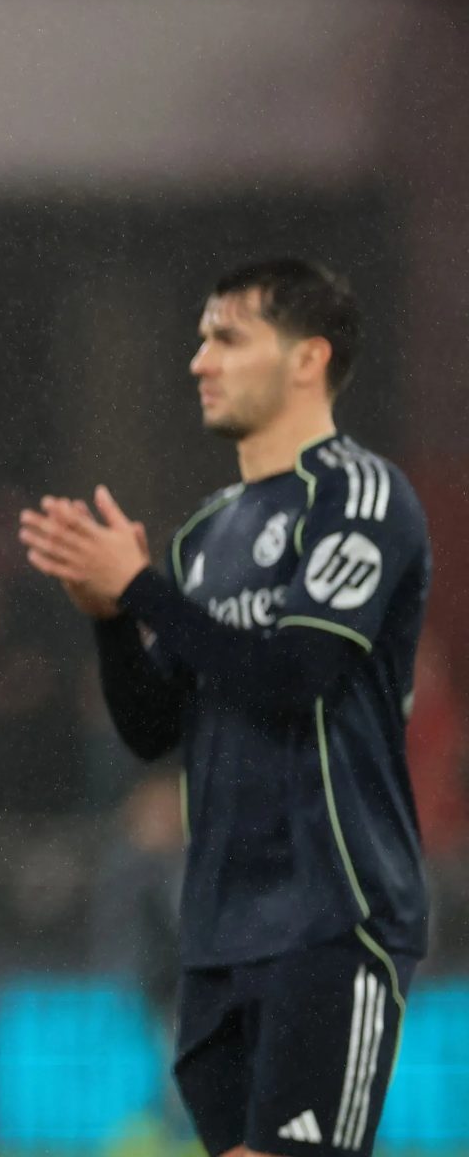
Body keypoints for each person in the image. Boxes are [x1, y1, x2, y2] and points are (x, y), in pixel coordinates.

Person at [21, 258, 428, 1157]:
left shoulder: (359, 498)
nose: (199, 360)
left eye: (228, 339)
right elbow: (153, 730)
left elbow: (296, 676)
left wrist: (142, 590)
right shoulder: (207, 533)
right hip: (217, 929)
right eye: (202, 339)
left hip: (333, 909)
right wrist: (111, 620)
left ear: (307, 359)